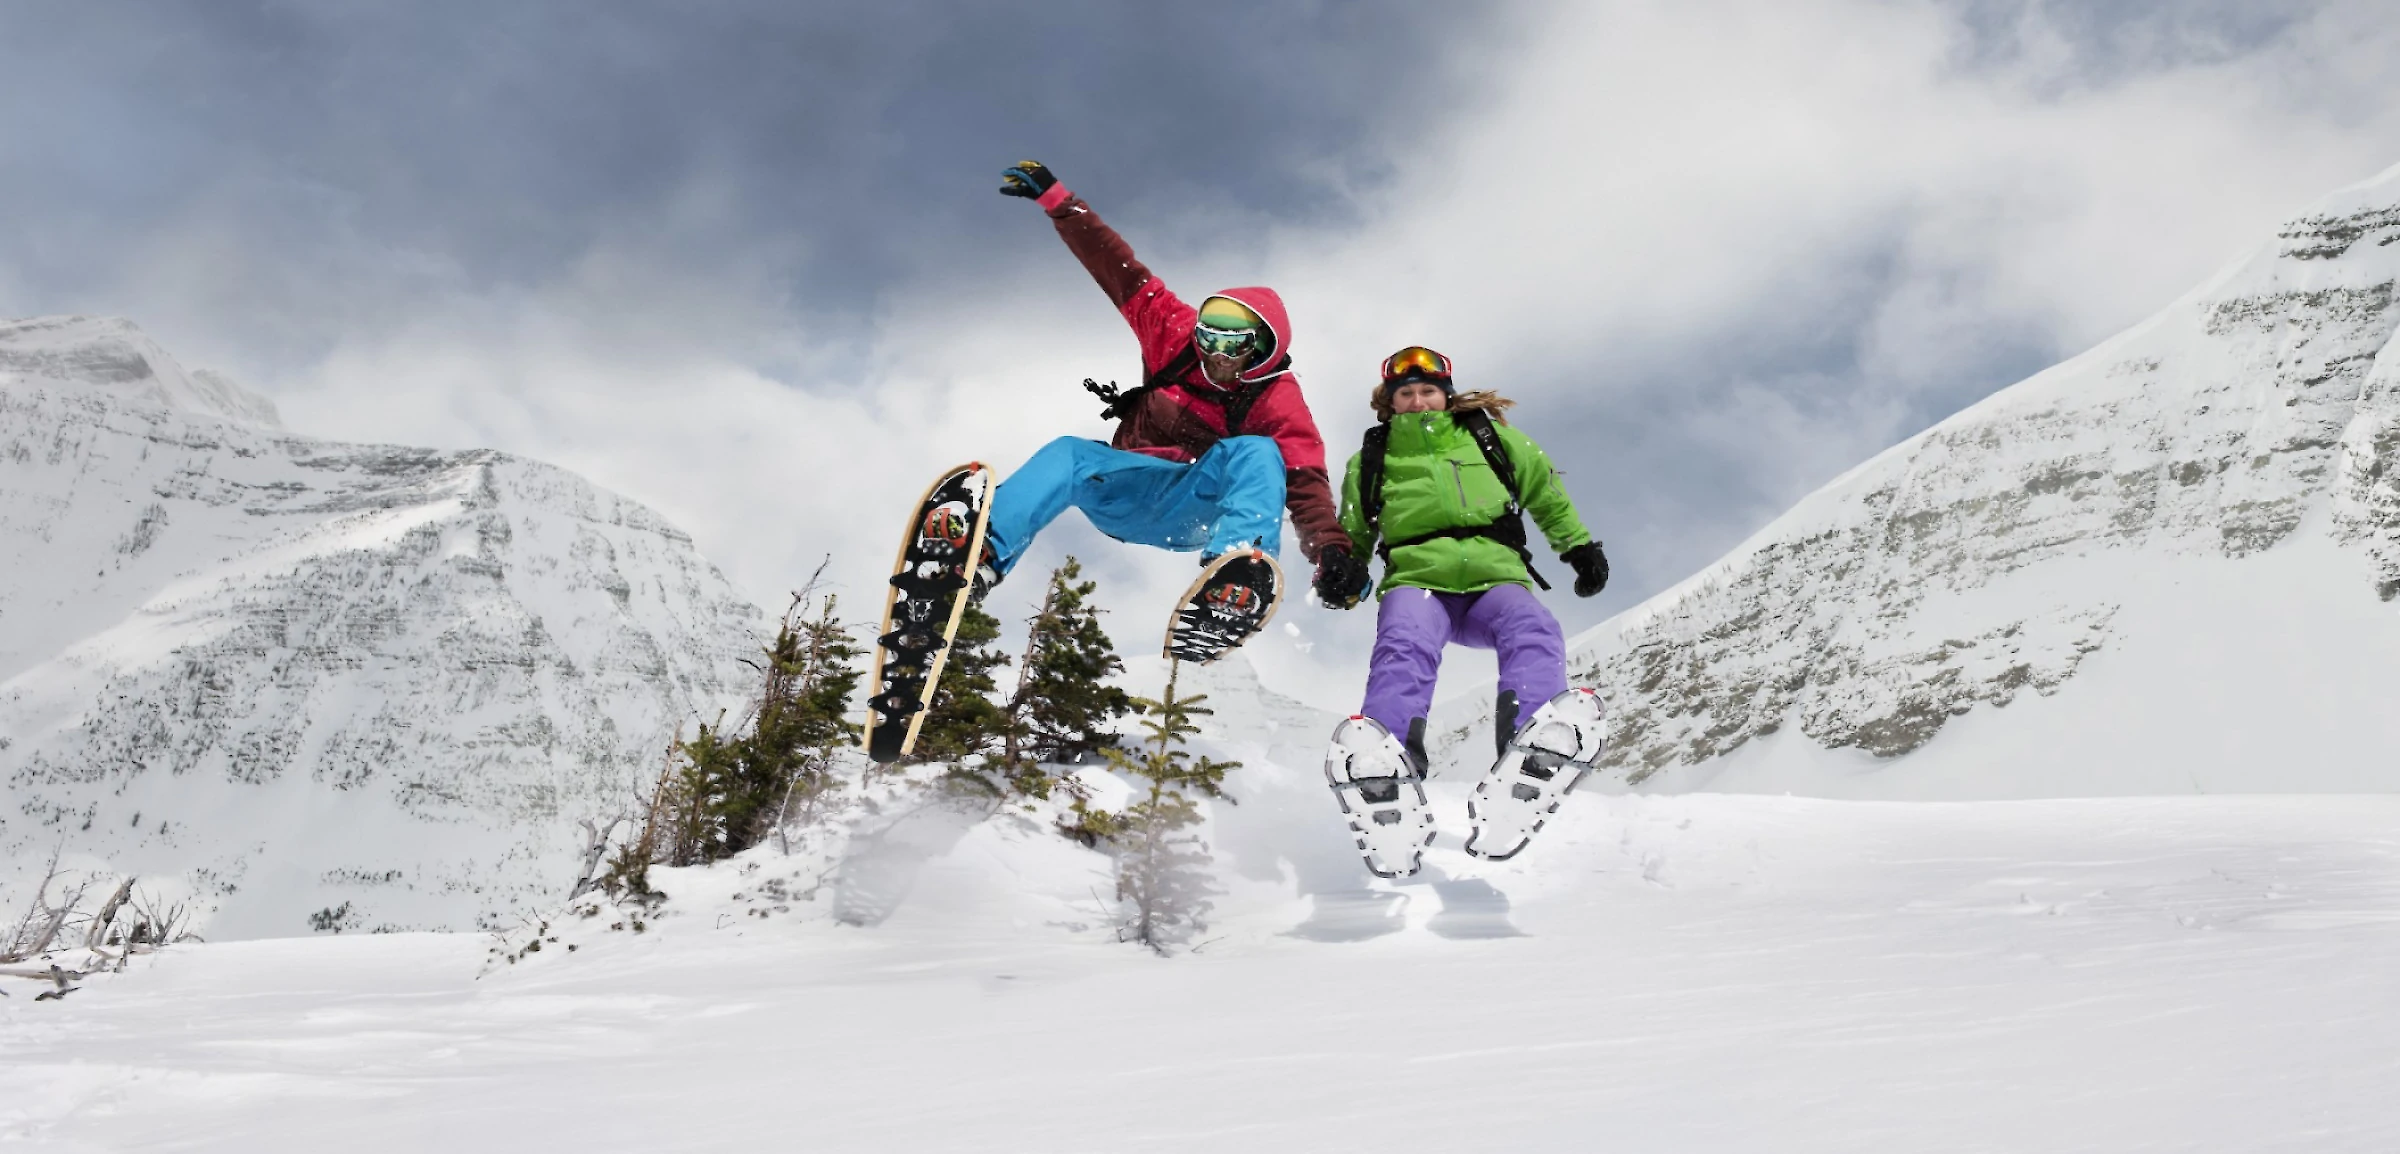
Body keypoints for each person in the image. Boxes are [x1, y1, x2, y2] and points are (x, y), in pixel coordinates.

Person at [976, 161, 1355, 614]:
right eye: (1206, 336)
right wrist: (1060, 204)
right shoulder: (1175, 336)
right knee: (1067, 454)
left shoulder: (1277, 397)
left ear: (1260, 351)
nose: (1212, 353)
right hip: (1127, 488)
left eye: (1229, 345)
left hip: (1192, 502)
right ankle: (978, 556)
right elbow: (1119, 270)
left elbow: (1304, 482)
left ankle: (1237, 572)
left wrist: (1331, 551)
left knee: (1258, 452)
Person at [1317, 345, 1609, 765]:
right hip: (1417, 584)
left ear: (1447, 395)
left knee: (1535, 628)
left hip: (1493, 582)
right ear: (1390, 403)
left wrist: (1579, 548)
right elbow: (1355, 532)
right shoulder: (1371, 461)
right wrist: (1340, 574)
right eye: (1406, 394)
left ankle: (1533, 742)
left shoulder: (1491, 439)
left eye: (1428, 391)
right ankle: (1385, 758)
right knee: (1403, 645)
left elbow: (1546, 496)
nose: (1418, 402)